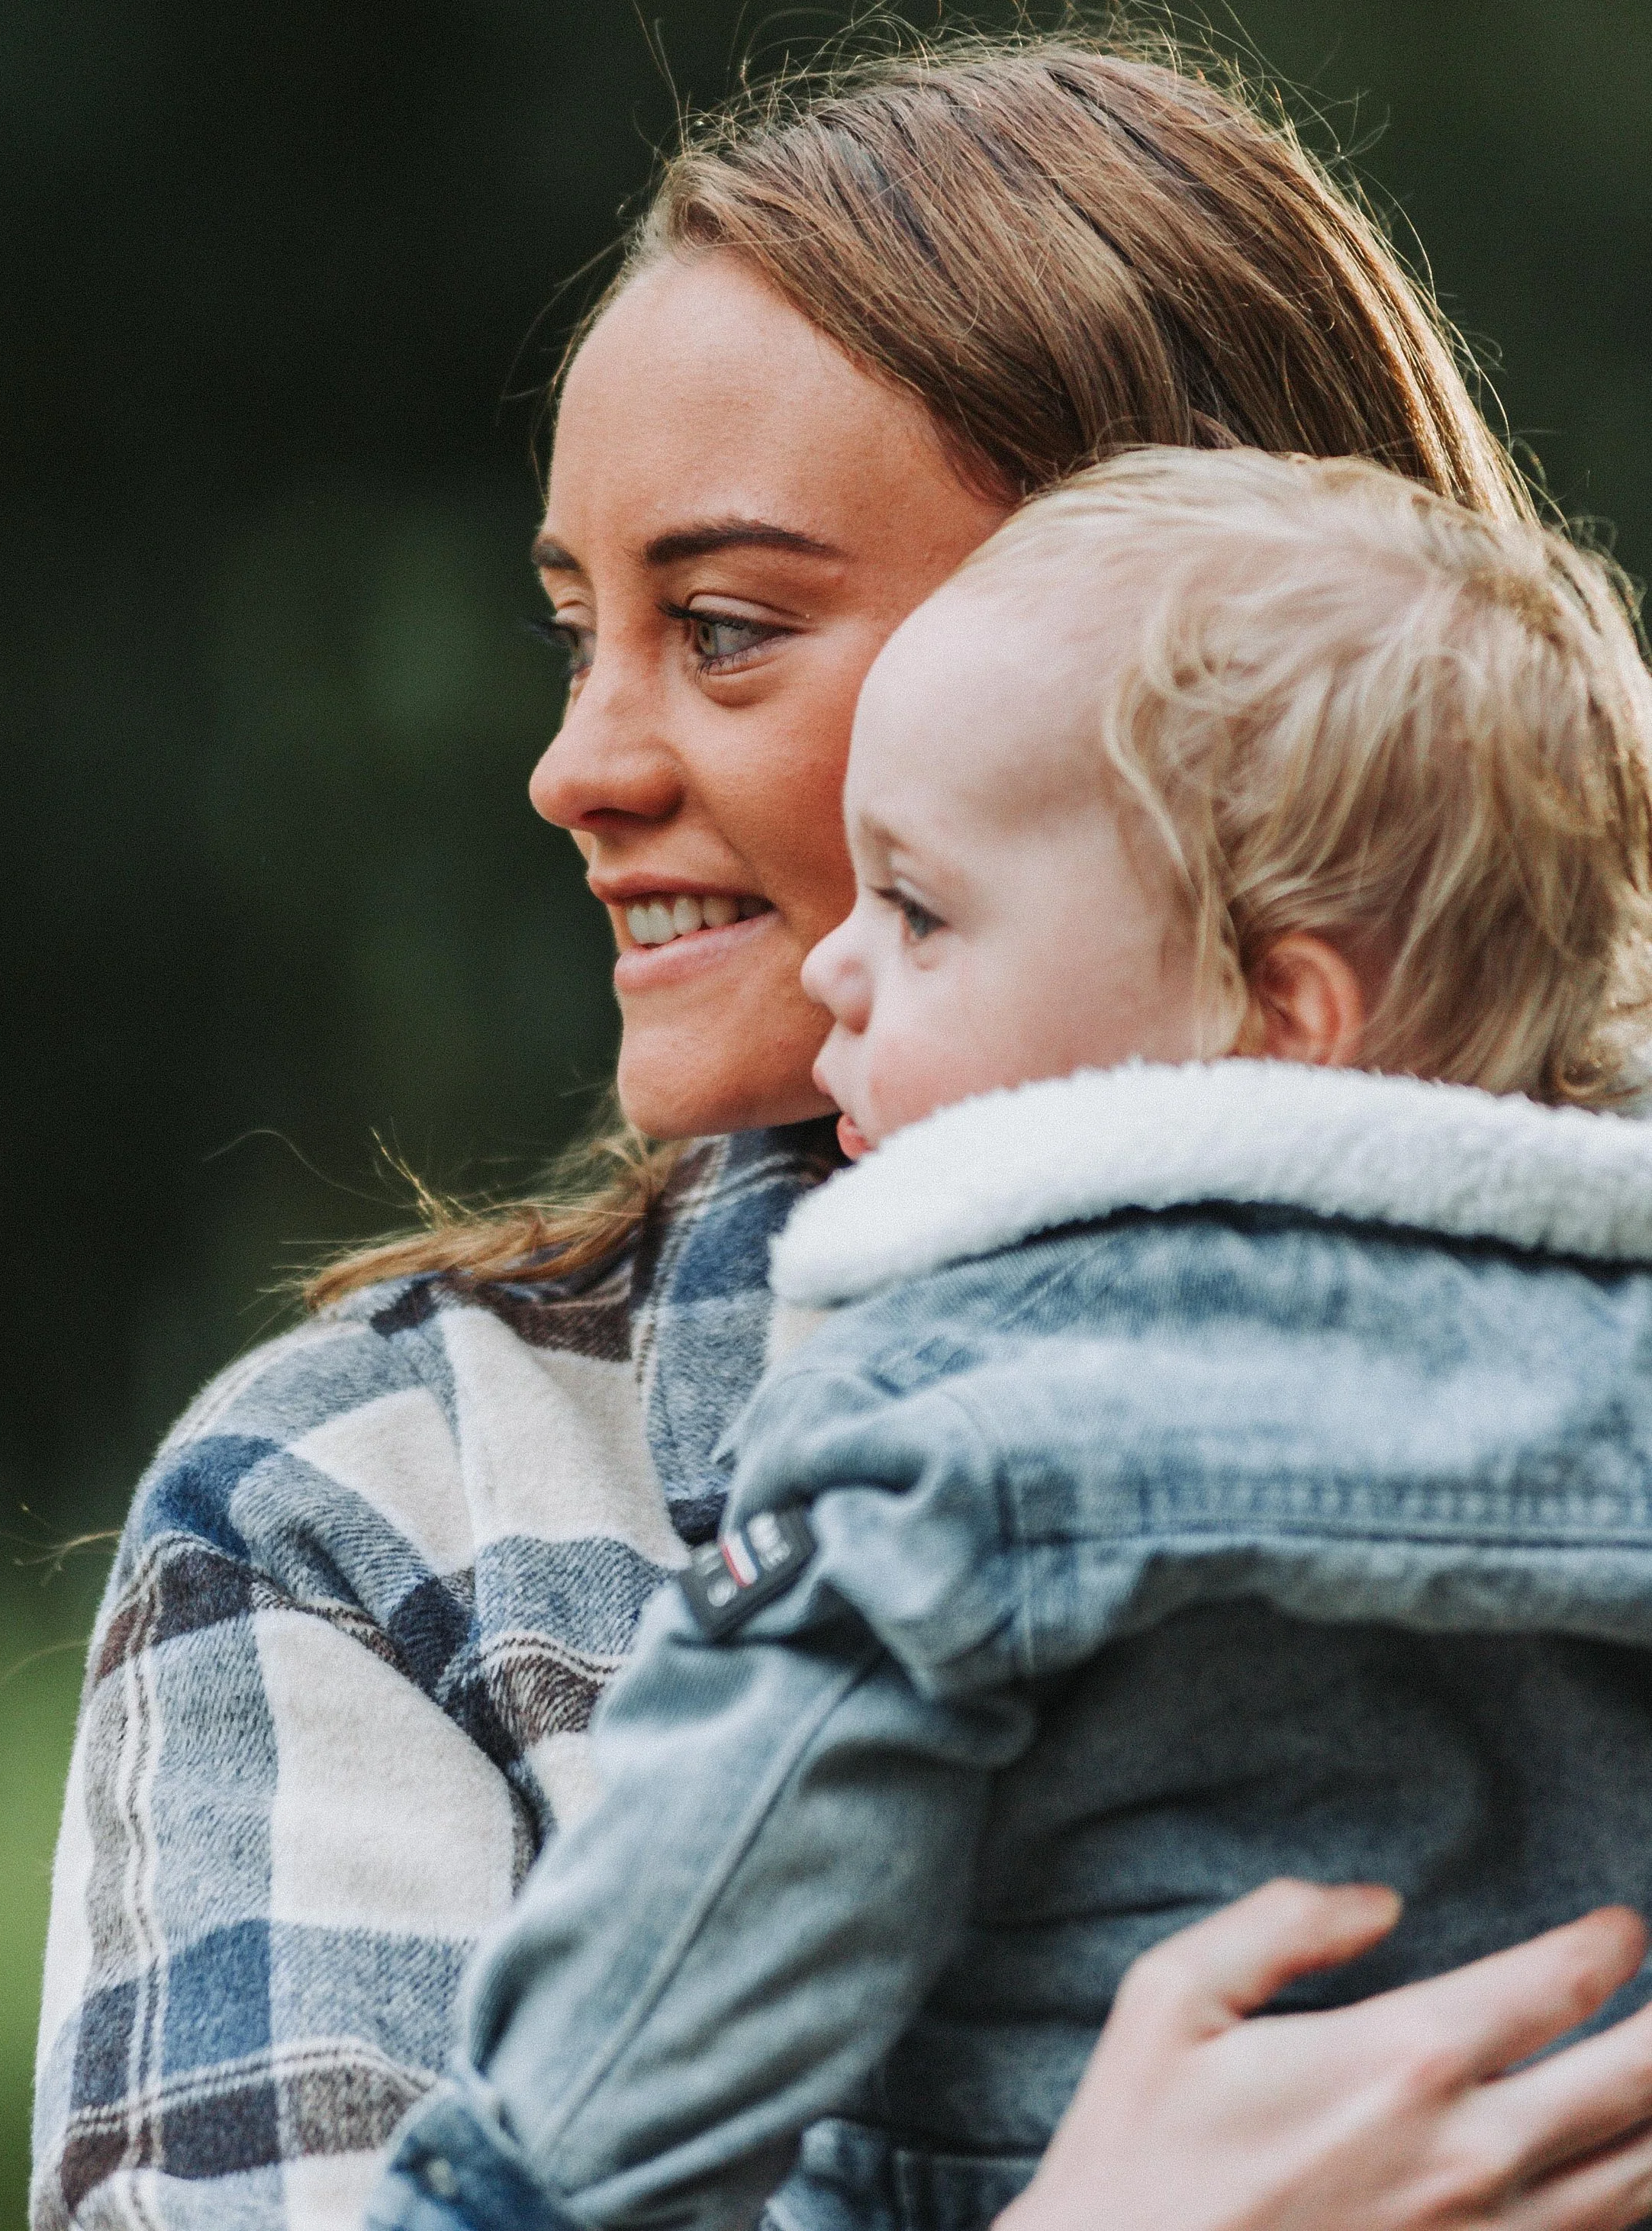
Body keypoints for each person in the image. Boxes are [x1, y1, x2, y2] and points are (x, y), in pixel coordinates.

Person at [31, 37, 1652, 2231]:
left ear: (1234, 678)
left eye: (724, 628)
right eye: (573, 630)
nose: (574, 762)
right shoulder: (376, 1505)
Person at [368, 447, 1652, 2231]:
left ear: (1275, 1012)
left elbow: (695, 1948)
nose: (839, 963)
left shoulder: (958, 1421)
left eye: (918, 908)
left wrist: (492, 2199)